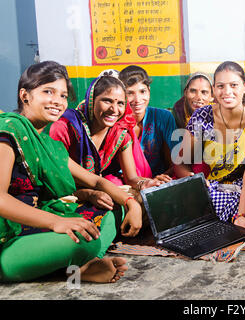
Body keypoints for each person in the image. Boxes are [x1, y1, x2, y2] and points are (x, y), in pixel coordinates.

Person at [0, 61, 142, 283]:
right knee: (87, 240)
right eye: (48, 91)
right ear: (25, 95)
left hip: (39, 223)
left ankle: (80, 266)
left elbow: (95, 181)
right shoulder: (7, 132)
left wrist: (131, 203)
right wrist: (55, 222)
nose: (57, 101)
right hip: (7, 236)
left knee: (113, 211)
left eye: (64, 95)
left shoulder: (49, 144)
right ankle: (77, 268)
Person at [173, 61, 245, 231]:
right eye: (220, 86)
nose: (227, 92)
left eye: (234, 85)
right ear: (213, 89)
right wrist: (194, 181)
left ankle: (242, 217)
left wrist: (241, 214)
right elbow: (181, 161)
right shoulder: (202, 116)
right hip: (214, 188)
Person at [49, 71, 162, 202]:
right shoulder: (66, 127)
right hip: (63, 192)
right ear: (91, 100)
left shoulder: (120, 133)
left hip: (98, 190)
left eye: (120, 103)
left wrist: (146, 183)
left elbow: (131, 178)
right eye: (107, 101)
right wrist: (87, 193)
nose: (114, 110)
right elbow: (56, 177)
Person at [118, 65, 178, 177]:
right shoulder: (117, 123)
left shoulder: (163, 117)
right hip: (126, 182)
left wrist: (157, 181)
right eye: (130, 93)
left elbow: (175, 163)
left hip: (160, 181)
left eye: (142, 91)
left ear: (149, 91)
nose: (137, 100)